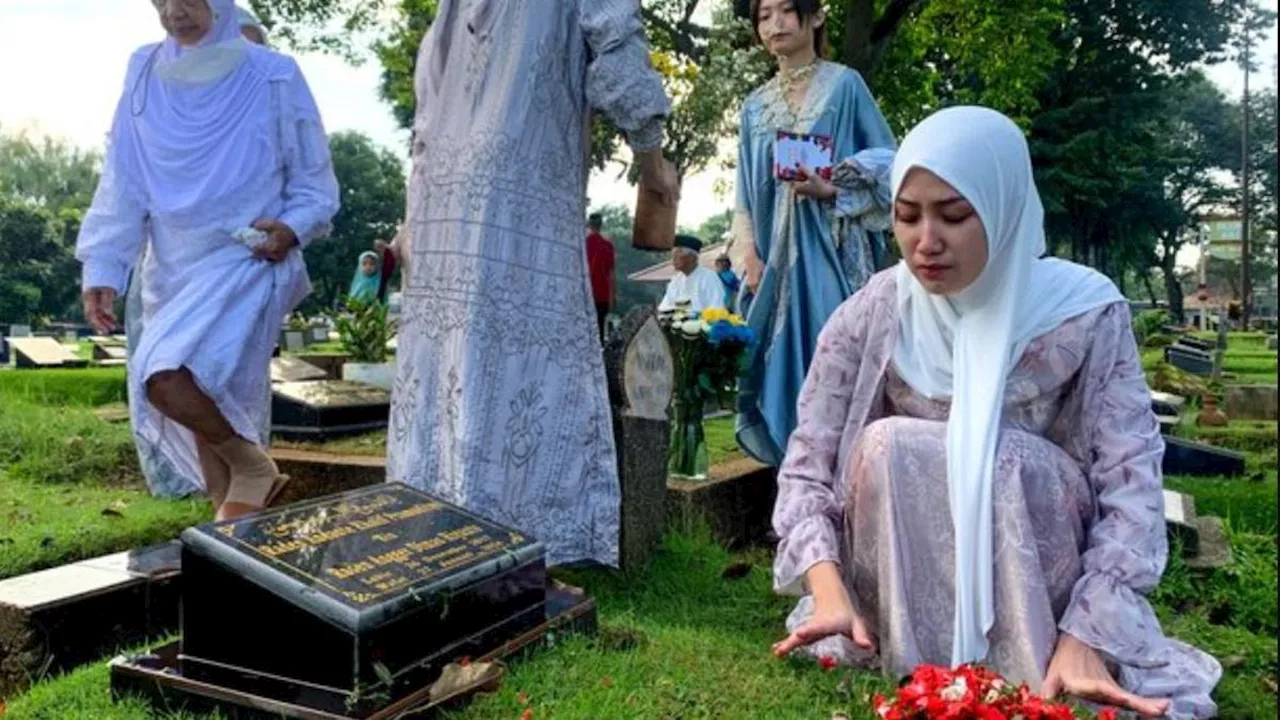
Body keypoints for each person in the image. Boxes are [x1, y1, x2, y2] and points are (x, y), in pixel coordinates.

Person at [769, 107, 1220, 719]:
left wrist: (1088, 635)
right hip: (895, 597)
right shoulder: (876, 310)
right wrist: (827, 585)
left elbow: (1131, 486)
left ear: (1004, 206)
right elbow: (809, 462)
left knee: (1003, 457)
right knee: (888, 444)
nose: (926, 242)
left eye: (954, 215)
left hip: (1050, 599)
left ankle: (1048, 659)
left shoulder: (1082, 313)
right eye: (907, 217)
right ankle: (909, 652)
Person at [383, 0, 679, 567]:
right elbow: (617, 45)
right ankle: (508, 532)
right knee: (509, 350)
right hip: (516, 173)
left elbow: (426, 101)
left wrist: (413, 210)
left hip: (443, 191)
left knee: (462, 355)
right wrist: (652, 157)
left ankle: (445, 522)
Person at [78, 0, 340, 521]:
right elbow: (123, 178)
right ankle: (232, 544)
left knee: (166, 377)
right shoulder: (143, 70)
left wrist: (292, 228)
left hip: (247, 258)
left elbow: (314, 181)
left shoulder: (274, 74)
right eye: (162, 0)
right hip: (172, 265)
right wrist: (105, 266)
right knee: (210, 400)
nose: (175, 12)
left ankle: (253, 468)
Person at [732, 0, 897, 467]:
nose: (775, 24)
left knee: (835, 362)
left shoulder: (845, 86)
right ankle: (792, 498)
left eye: (787, 10)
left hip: (831, 252)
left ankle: (844, 490)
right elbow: (743, 193)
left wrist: (834, 189)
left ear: (817, 16)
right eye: (764, 15)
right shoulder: (753, 106)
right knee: (775, 372)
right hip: (772, 268)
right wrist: (748, 255)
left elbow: (892, 162)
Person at [658, 235, 725, 313]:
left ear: (692, 257)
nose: (674, 258)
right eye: (673, 253)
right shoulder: (676, 281)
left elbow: (717, 309)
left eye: (679, 252)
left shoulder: (709, 278)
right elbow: (665, 307)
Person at [586, 213, 616, 341]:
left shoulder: (583, 243)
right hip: (602, 295)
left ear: (589, 224)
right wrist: (613, 295)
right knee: (599, 331)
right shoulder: (608, 245)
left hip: (585, 293)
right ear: (601, 225)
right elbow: (612, 272)